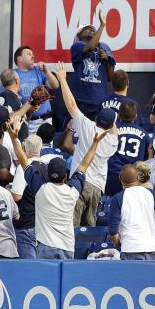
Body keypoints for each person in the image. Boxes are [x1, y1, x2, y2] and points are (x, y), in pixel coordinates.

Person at [16, 123, 107, 260]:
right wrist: (95, 143)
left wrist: (13, 139)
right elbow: (84, 164)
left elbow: (24, 162)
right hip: (67, 246)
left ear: (48, 173)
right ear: (65, 176)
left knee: (45, 282)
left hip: (46, 246)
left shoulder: (42, 189)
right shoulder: (73, 191)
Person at [55, 61, 118, 227]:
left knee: (73, 228)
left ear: (96, 119)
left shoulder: (88, 126)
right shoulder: (113, 141)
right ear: (111, 125)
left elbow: (71, 104)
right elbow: (113, 129)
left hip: (80, 183)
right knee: (90, 231)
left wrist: (62, 79)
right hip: (97, 188)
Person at [109, 163, 155, 260]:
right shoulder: (150, 193)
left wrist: (119, 244)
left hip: (129, 249)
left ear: (119, 178)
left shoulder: (118, 198)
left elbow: (113, 231)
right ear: (138, 177)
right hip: (150, 248)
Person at [70, 12, 115, 119]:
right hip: (81, 98)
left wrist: (107, 60)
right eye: (87, 28)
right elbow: (89, 48)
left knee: (98, 132)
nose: (91, 29)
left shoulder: (104, 47)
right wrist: (102, 26)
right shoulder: (77, 46)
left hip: (100, 99)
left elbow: (110, 77)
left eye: (93, 29)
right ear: (79, 35)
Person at [9, 134, 44, 259]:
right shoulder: (47, 166)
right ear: (41, 148)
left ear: (25, 149)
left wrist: (7, 191)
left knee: (29, 268)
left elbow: (16, 196)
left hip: (26, 224)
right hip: (43, 223)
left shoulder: (23, 167)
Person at [105, 101, 149, 195]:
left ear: (119, 115)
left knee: (111, 203)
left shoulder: (111, 130)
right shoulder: (143, 133)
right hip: (133, 177)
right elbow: (147, 155)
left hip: (113, 174)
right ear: (136, 116)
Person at [13, 46, 59, 131]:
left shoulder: (39, 70)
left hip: (45, 120)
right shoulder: (14, 74)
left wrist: (46, 71)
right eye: (29, 54)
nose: (33, 56)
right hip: (26, 122)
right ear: (20, 59)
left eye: (32, 54)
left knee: (46, 145)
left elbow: (55, 86)